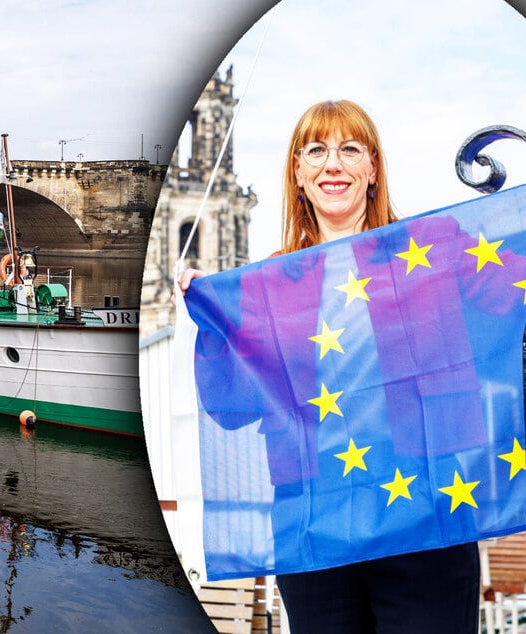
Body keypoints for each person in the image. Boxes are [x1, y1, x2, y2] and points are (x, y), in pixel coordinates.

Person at [178, 100, 480, 633]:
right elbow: (233, 408)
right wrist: (218, 319)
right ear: (298, 173)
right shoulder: (270, 283)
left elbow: (507, 300)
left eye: (350, 149)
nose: (332, 164)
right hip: (316, 527)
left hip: (425, 518)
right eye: (315, 150)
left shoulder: (429, 250)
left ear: (372, 169)